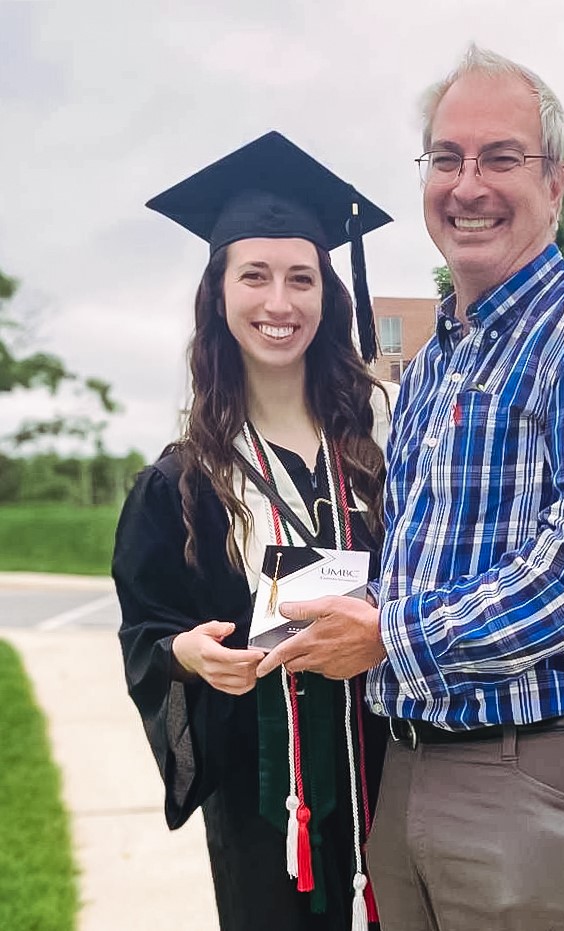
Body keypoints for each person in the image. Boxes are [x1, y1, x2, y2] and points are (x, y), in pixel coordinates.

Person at [256, 46, 564, 931]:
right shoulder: (433, 367)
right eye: (446, 159)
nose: (468, 185)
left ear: (557, 181)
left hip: (540, 773)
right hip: (414, 765)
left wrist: (388, 632)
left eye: (501, 158)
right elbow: (416, 559)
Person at [113, 131, 395, 931]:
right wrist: (187, 656)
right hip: (263, 801)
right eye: (256, 276)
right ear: (219, 292)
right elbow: (147, 632)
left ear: (328, 294)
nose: (281, 302)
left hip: (401, 774)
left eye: (301, 277)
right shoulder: (181, 483)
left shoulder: (386, 443)